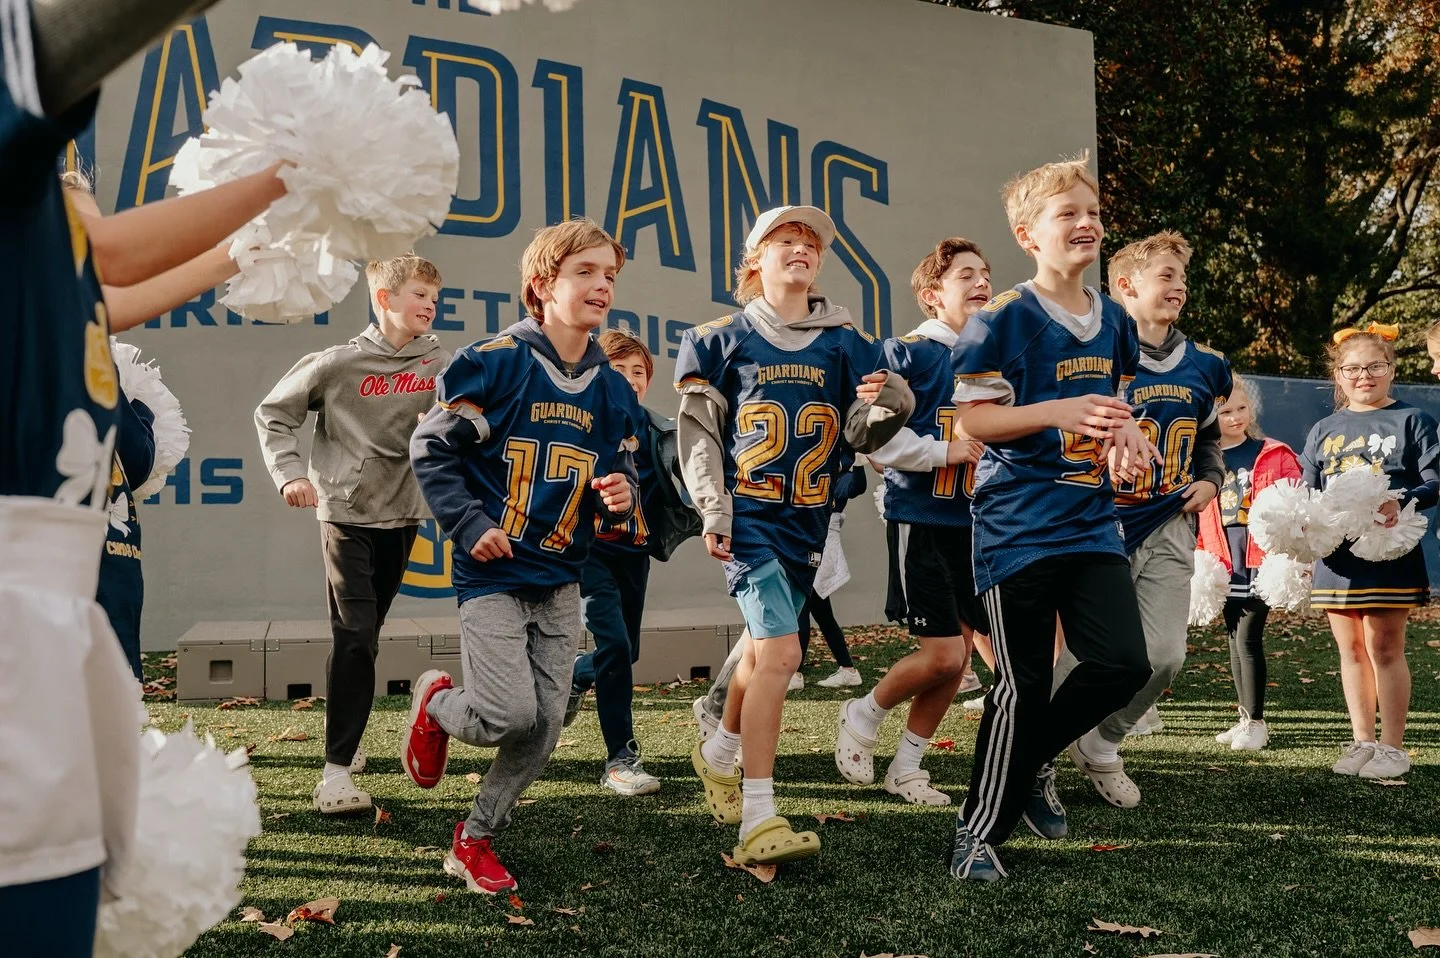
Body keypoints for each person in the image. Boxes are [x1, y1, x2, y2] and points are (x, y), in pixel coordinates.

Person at [0, 2, 290, 944]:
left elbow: (124, 278)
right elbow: (118, 250)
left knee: (64, 898)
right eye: (72, 178)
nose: (88, 191)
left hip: (50, 609)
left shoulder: (60, 276)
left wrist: (254, 235)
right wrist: (292, 169)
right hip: (16, 600)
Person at [401, 218, 641, 894]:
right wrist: (469, 521)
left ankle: (474, 838)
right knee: (508, 716)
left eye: (609, 275)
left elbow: (612, 486)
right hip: (494, 575)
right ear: (543, 286)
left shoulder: (612, 389)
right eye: (585, 272)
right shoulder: (495, 361)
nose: (601, 286)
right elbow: (432, 447)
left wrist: (618, 498)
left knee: (544, 730)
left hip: (562, 575)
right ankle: (437, 702)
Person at [677, 205, 913, 866]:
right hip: (749, 518)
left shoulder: (846, 341)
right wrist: (713, 509)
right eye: (786, 239)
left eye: (810, 241)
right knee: (782, 654)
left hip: (808, 519)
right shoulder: (721, 338)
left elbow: (865, 430)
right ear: (756, 258)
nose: (801, 249)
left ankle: (719, 754)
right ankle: (759, 814)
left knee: (761, 647)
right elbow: (698, 439)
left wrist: (894, 402)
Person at [947, 155, 1156, 881]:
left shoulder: (1118, 323)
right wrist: (1057, 411)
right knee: (1021, 684)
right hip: (1015, 527)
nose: (1085, 222)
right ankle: (978, 835)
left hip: (1092, 519)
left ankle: (1028, 761)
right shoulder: (1001, 318)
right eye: (1066, 212)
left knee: (1124, 662)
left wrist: (1130, 433)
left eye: (1091, 211)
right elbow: (972, 419)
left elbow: (1116, 401)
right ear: (1027, 233)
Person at [256, 253, 446, 816]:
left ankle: (347, 730)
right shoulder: (338, 363)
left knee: (362, 633)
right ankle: (335, 774)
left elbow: (468, 418)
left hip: (404, 515)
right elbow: (273, 414)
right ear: (384, 299)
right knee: (357, 634)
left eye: (435, 298)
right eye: (419, 296)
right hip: (344, 514)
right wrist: (291, 474)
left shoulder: (442, 362)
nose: (430, 306)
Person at [1065, 231, 1231, 808]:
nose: (1178, 286)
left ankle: (1102, 743)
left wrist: (1211, 480)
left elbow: (1211, 438)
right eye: (1165, 275)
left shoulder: (1207, 366)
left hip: (1167, 521)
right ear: (1126, 286)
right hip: (1095, 521)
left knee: (1165, 656)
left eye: (1182, 276)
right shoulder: (1091, 353)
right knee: (1077, 658)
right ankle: (1034, 757)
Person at [834, 237, 994, 806]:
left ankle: (907, 765)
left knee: (956, 663)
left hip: (980, 524)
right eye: (965, 275)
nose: (981, 283)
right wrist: (940, 452)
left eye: (985, 274)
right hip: (923, 518)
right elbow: (871, 439)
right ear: (931, 296)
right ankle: (864, 711)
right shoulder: (909, 354)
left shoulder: (994, 356)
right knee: (946, 654)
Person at [1302, 325, 1437, 780]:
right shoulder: (1324, 429)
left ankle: (1393, 747)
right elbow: (1307, 491)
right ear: (1337, 376)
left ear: (1392, 370)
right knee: (1351, 650)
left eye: (1374, 366)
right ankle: (1362, 740)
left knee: (1384, 646)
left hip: (1388, 549)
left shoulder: (1413, 420)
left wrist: (1399, 499)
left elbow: (1434, 480)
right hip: (1336, 557)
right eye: (1353, 368)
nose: (1364, 376)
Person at [564, 329, 679, 797]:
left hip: (635, 554)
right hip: (590, 552)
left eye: (639, 372)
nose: (631, 379)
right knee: (613, 643)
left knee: (624, 653)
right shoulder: (580, 422)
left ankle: (576, 673)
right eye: (619, 369)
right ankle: (621, 759)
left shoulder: (659, 429)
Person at [1196, 375, 1302, 750]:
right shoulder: (1202, 457)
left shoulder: (1274, 452)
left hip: (1259, 557)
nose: (1236, 417)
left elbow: (1296, 499)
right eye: (1226, 412)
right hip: (1223, 558)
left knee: (1248, 638)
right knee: (1232, 638)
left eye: (1241, 408)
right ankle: (1245, 718)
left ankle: (1256, 722)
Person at [794, 460, 867, 690]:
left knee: (803, 606)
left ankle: (794, 673)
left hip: (821, 542)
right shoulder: (815, 472)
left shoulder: (838, 476)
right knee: (820, 611)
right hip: (810, 539)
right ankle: (847, 669)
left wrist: (859, 462)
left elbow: (856, 486)